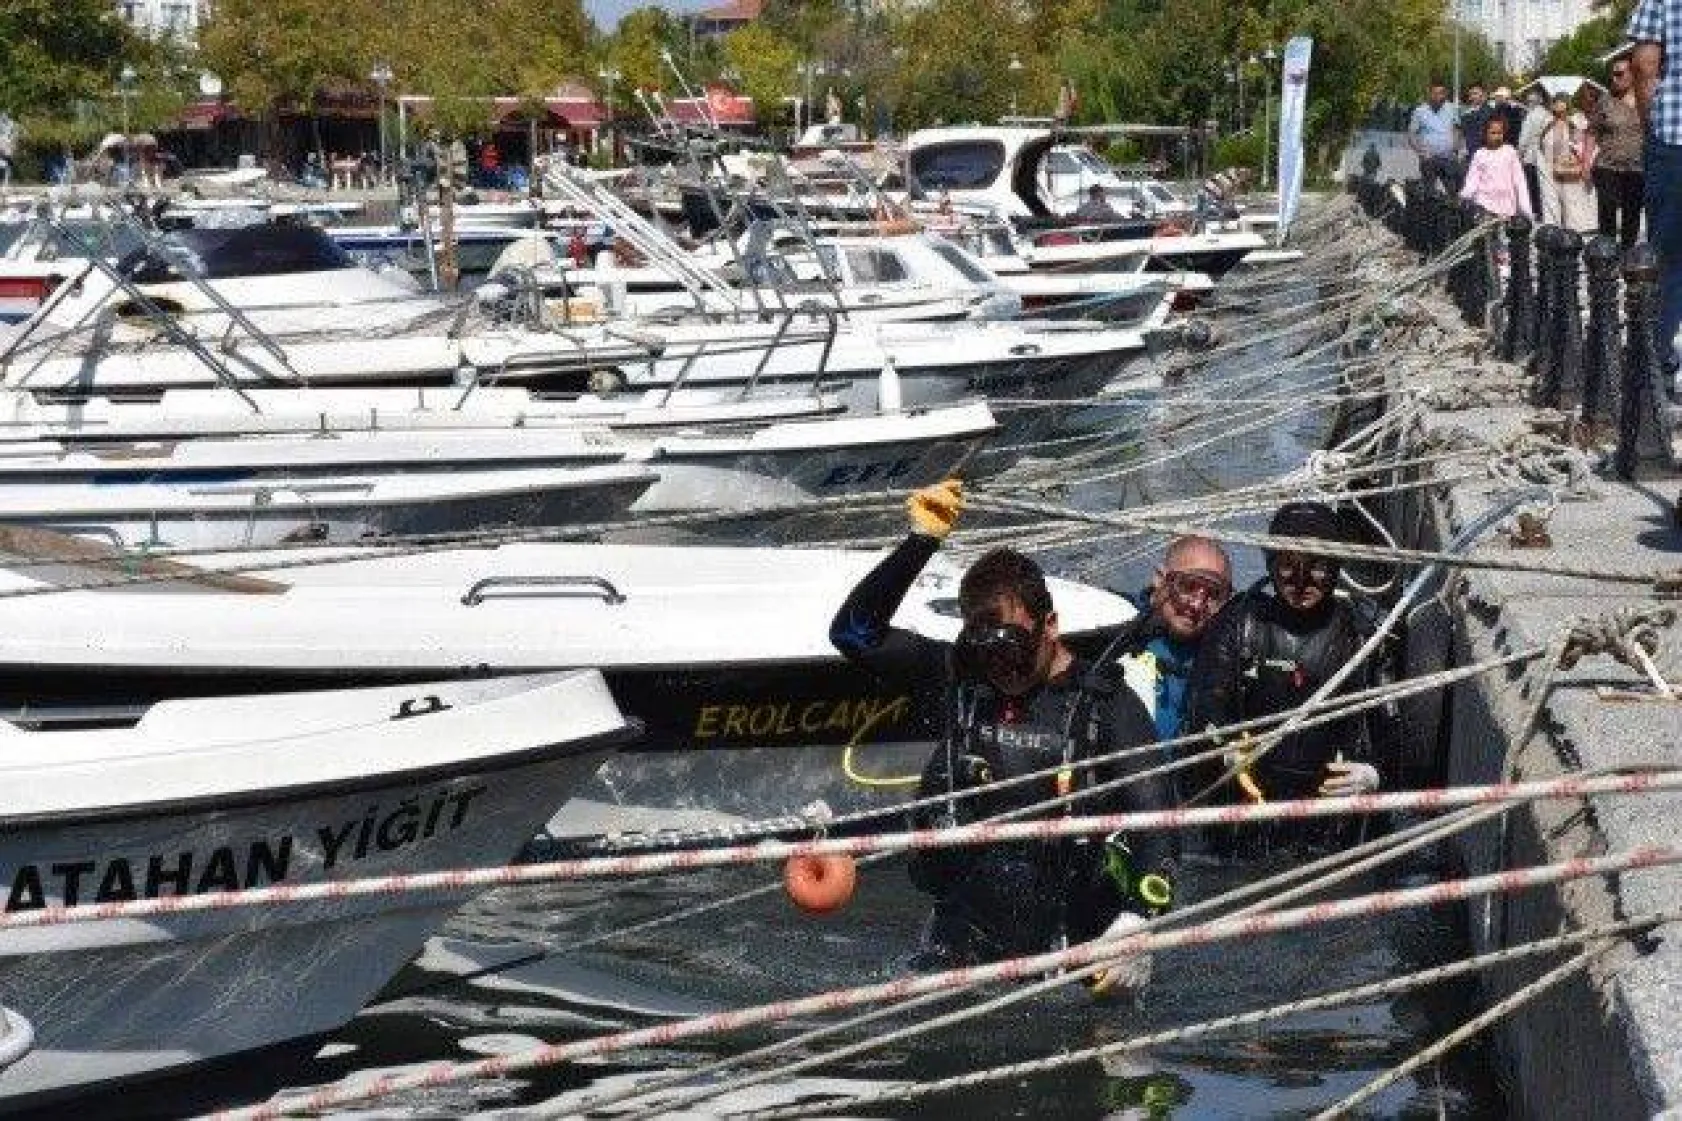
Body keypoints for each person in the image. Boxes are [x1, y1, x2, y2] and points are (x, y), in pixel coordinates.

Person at [829, 480, 1176, 980]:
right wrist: (919, 543)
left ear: (1050, 625)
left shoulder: (1105, 705)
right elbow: (853, 634)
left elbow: (1159, 820)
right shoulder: (966, 677)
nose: (1001, 669)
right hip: (961, 940)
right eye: (985, 652)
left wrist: (1138, 924)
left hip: (1072, 951)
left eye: (1013, 649)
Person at [1184, 501, 1388, 855]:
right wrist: (1222, 748)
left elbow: (1391, 733)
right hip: (1247, 812)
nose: (1301, 581)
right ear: (1270, 565)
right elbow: (1204, 708)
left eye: (1317, 568)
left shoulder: (1361, 633)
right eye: (1287, 567)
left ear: (1337, 566)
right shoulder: (1240, 625)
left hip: (1331, 819)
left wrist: (1375, 775)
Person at [1113, 535, 1234, 745]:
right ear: (1160, 579)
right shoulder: (1113, 626)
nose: (1197, 604)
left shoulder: (1225, 653)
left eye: (1213, 594)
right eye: (1187, 586)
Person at [1630, 0, 1682, 368]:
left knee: (1668, 256)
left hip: (1674, 136)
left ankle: (1656, 359)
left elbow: (1644, 65)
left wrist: (1653, 125)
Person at [1593, 58, 1647, 248]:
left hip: (1637, 167)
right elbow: (1593, 132)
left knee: (1632, 214)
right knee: (1607, 210)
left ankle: (1627, 255)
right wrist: (1585, 163)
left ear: (1632, 75)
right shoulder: (1605, 101)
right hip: (1607, 166)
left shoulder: (1645, 99)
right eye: (1613, 74)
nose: (1614, 78)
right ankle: (1605, 255)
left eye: (1619, 74)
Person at [1538, 92, 1598, 232]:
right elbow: (1541, 147)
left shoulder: (1577, 121)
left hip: (1571, 169)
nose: (1558, 105)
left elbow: (1585, 143)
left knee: (1573, 200)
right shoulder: (1546, 123)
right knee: (1551, 201)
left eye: (1562, 102)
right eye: (1556, 102)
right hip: (1550, 169)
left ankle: (1579, 229)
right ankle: (1552, 228)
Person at [1460, 115, 1532, 220]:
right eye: (1493, 133)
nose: (1497, 137)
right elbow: (1472, 180)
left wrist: (1526, 209)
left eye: (1500, 133)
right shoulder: (1480, 154)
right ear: (1485, 134)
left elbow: (1519, 181)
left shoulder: (1510, 152)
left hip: (1507, 206)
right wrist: (1463, 196)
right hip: (1485, 206)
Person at [1409, 81, 1462, 194]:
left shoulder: (1452, 109)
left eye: (1442, 93)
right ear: (1430, 94)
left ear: (1445, 94)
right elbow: (1412, 134)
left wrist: (1455, 149)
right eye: (1435, 93)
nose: (1439, 96)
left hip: (1448, 159)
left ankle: (1451, 211)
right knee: (1429, 193)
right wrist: (1421, 153)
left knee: (1453, 191)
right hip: (1429, 159)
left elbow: (1457, 129)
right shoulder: (1420, 111)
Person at [1517, 90, 1551, 217]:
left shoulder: (1530, 116)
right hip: (1546, 154)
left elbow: (1524, 138)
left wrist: (1519, 154)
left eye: (1529, 101)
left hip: (1531, 155)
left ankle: (1535, 211)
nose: (1528, 103)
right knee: (1543, 186)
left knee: (1532, 185)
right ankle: (1544, 210)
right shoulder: (1549, 115)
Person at [1459, 83, 1492, 162]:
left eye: (1475, 94)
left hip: (1486, 154)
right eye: (1471, 94)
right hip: (1470, 154)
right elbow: (1463, 133)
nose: (1473, 97)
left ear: (1484, 95)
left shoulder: (1490, 112)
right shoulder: (1466, 113)